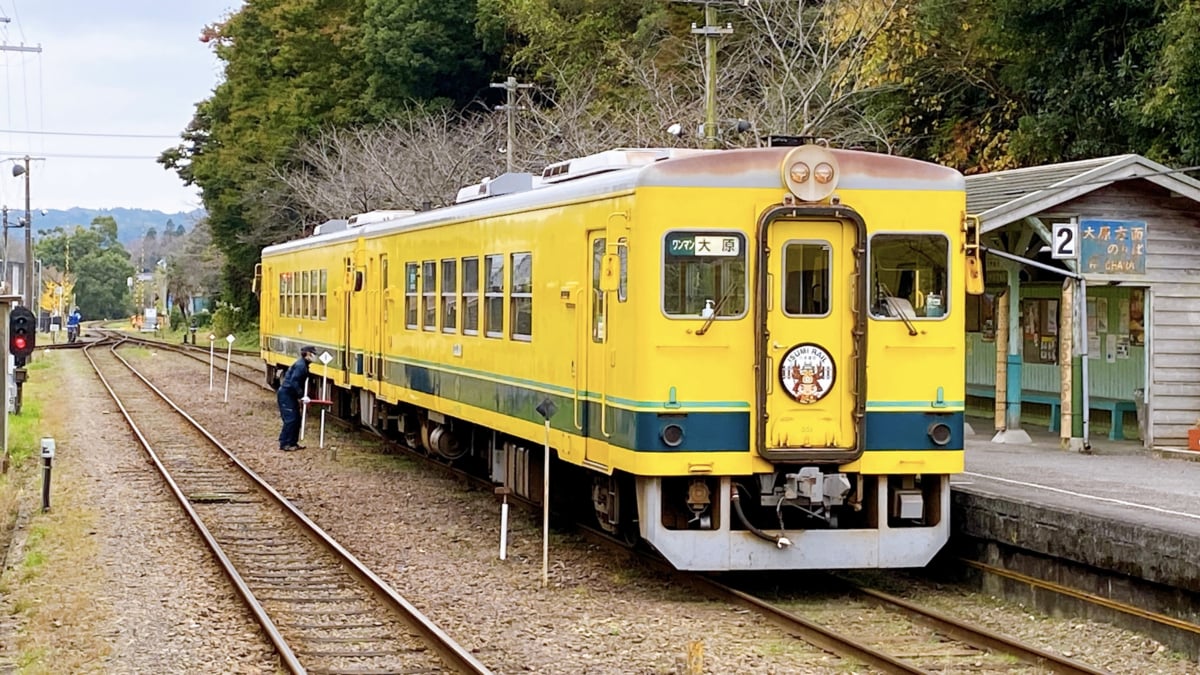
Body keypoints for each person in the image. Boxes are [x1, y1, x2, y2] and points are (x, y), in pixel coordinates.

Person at [277, 345, 316, 451]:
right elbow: (294, 381)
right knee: (291, 419)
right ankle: (284, 443)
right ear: (308, 354)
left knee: (296, 419)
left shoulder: (303, 365)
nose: (314, 356)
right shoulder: (301, 366)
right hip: (286, 394)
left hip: (290, 394)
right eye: (313, 354)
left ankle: (292, 442)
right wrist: (302, 395)